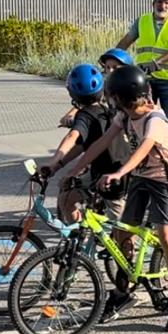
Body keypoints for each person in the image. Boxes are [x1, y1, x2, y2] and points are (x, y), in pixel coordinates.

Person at [67, 67, 168, 329]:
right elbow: (100, 143)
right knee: (123, 234)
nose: (111, 101)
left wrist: (120, 172)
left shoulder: (154, 120)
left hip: (163, 180)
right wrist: (77, 169)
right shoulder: (125, 116)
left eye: (113, 96)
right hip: (141, 178)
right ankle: (123, 292)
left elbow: (144, 147)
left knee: (166, 235)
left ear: (120, 97)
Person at [39, 64, 123, 222]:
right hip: (103, 172)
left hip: (109, 177)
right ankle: (78, 240)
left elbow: (72, 137)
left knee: (121, 230)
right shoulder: (104, 111)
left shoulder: (84, 116)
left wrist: (53, 162)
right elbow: (82, 145)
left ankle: (79, 238)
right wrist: (58, 165)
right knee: (66, 197)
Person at [117, 0, 168, 125]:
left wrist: (158, 62)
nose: (163, 6)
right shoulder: (142, 21)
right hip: (144, 78)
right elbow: (125, 42)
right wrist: (113, 58)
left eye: (167, 2)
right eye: (160, 1)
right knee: (140, 116)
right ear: (153, 2)